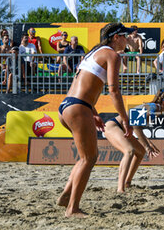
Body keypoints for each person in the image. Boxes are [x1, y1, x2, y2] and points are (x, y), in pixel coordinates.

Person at [56, 22, 134, 218]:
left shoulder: (92, 54)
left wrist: (94, 111)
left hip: (67, 106)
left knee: (85, 157)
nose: (128, 39)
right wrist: (124, 118)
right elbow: (114, 91)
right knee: (89, 158)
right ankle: (72, 209)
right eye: (125, 36)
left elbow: (83, 85)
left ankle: (66, 194)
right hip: (78, 107)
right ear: (116, 37)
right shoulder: (112, 55)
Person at [104, 89, 164, 193]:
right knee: (129, 151)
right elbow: (135, 126)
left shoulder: (156, 108)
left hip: (124, 128)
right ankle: (120, 188)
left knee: (140, 152)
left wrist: (149, 144)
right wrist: (147, 146)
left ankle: (127, 183)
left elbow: (137, 128)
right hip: (114, 125)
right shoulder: (154, 108)